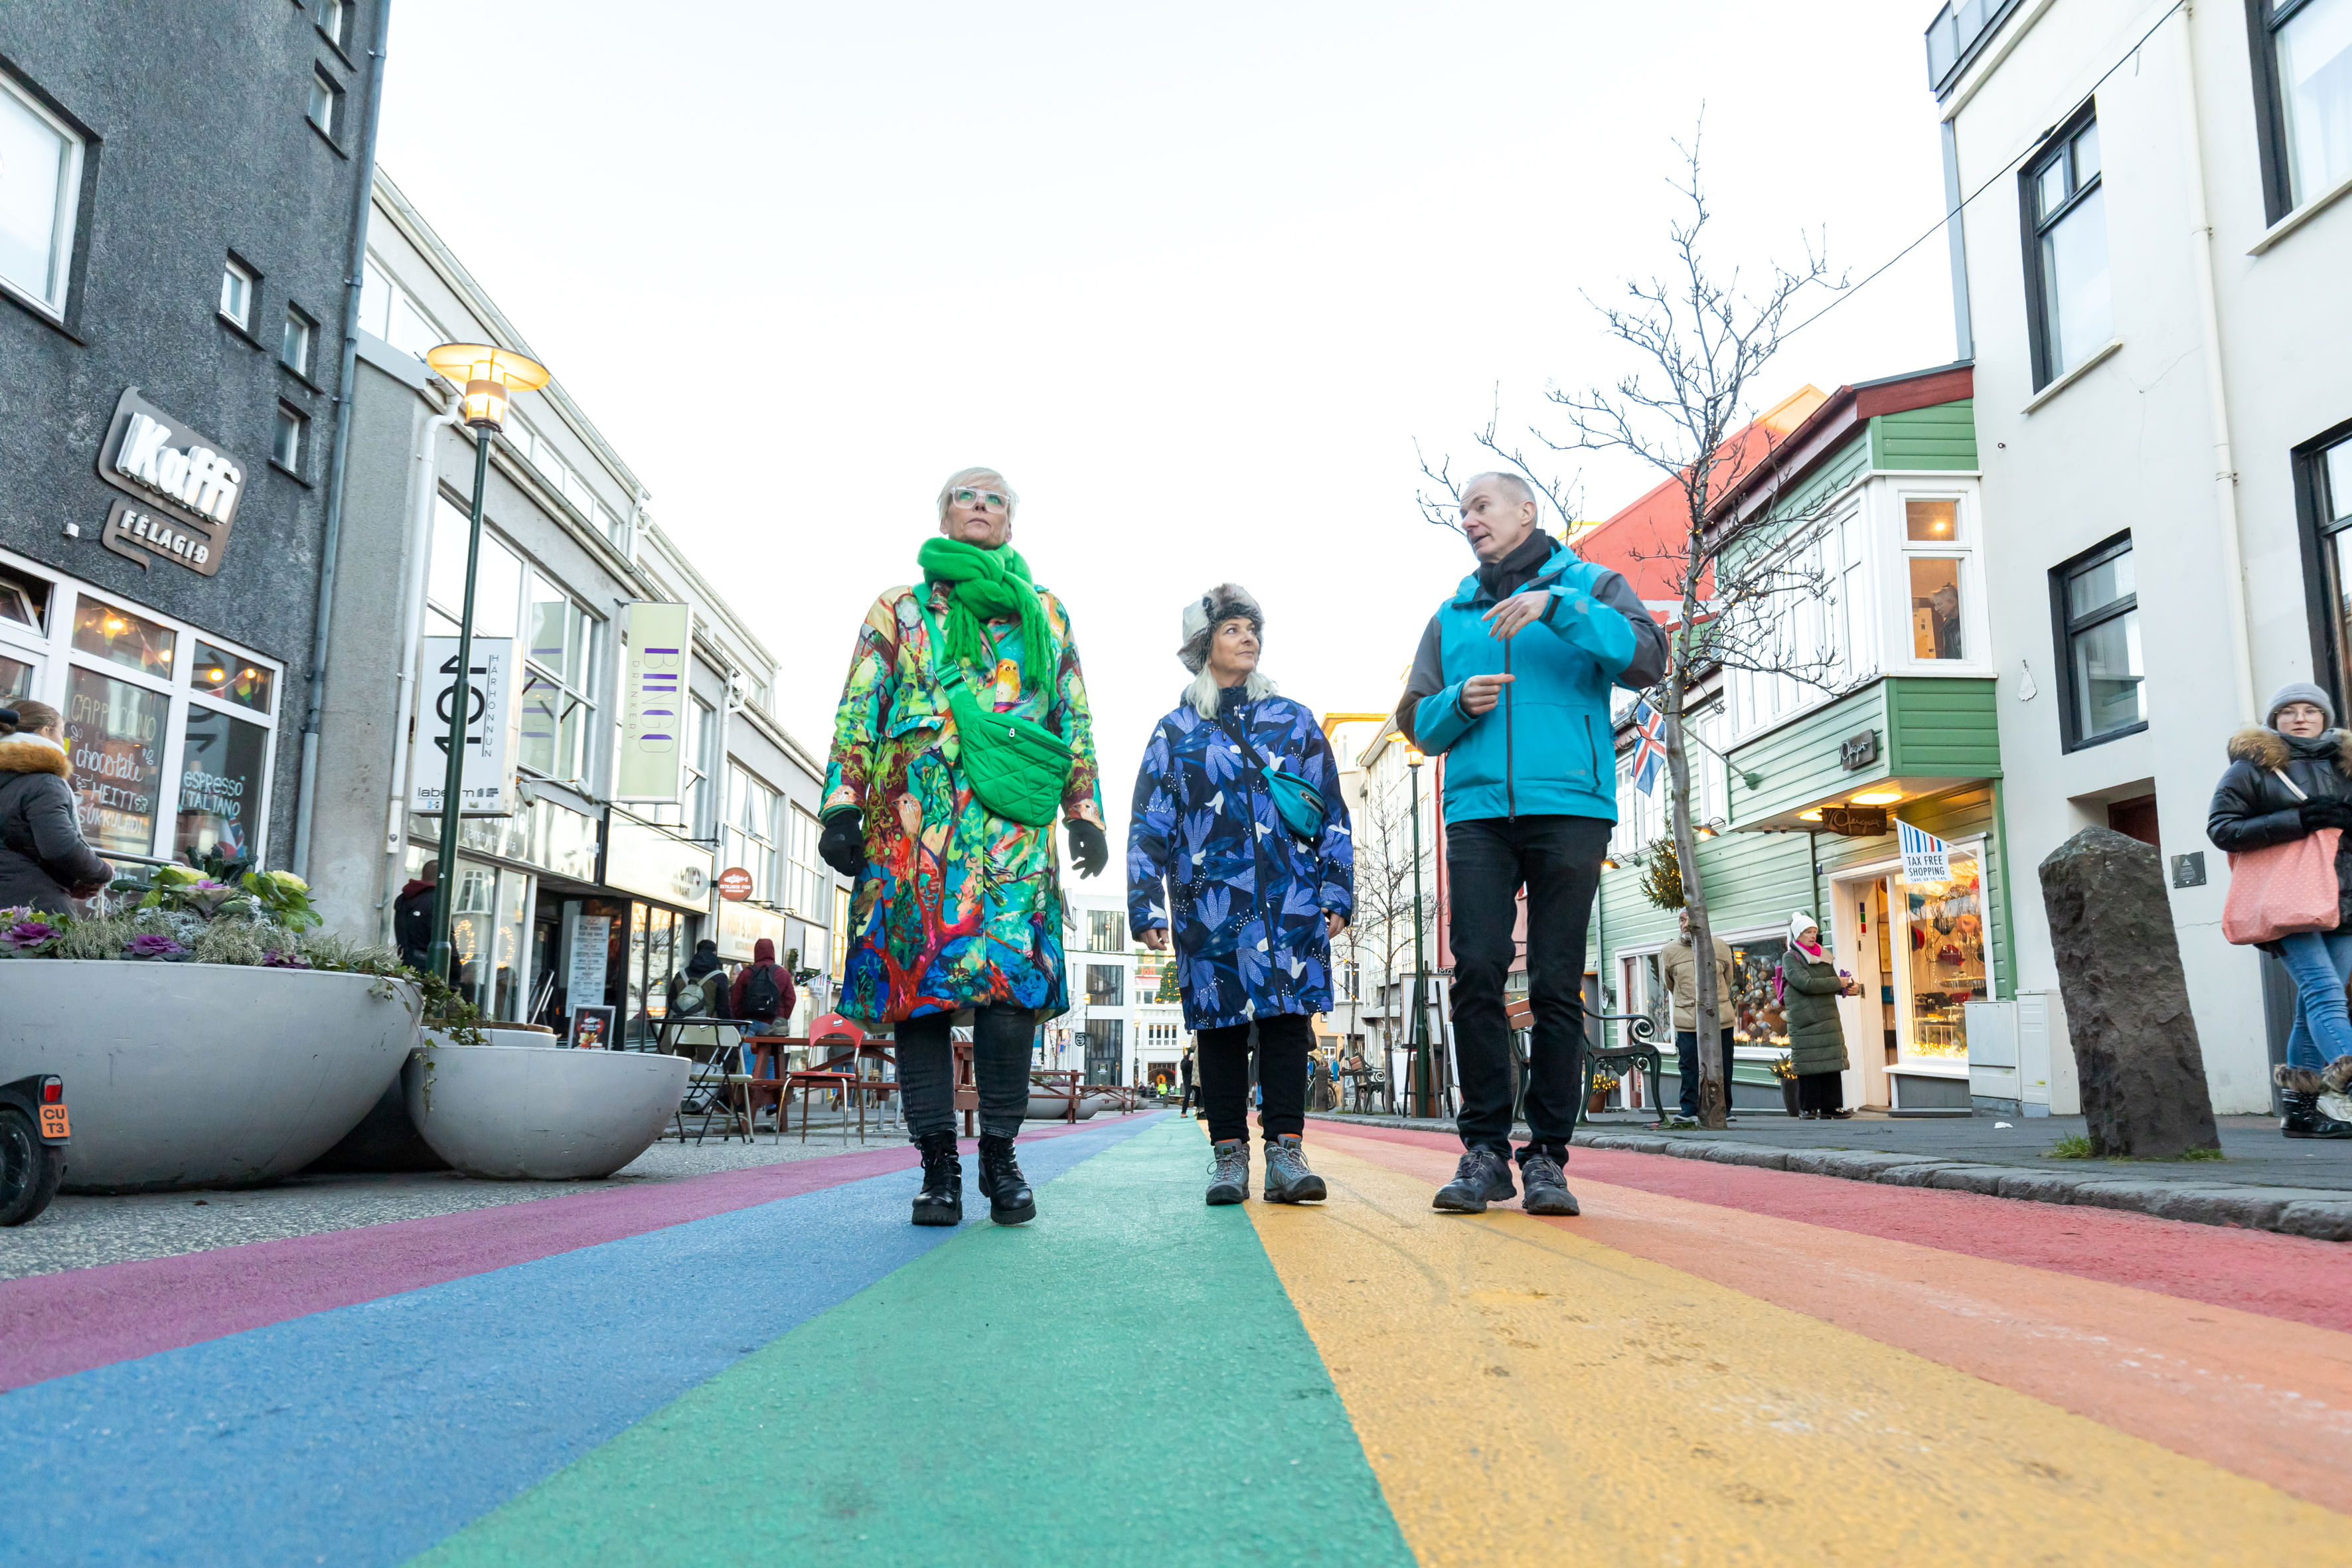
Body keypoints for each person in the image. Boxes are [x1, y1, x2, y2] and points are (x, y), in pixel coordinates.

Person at [819, 467, 1107, 1227]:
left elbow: (1071, 713)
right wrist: (842, 807)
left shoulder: (1044, 612)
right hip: (913, 828)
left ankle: (1002, 1157)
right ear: (943, 515)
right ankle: (937, 1165)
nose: (980, 506)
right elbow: (859, 706)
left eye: (995, 499)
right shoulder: (901, 608)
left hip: (1011, 832)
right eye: (966, 496)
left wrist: (1084, 810)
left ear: (1011, 522)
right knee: (916, 993)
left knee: (1007, 991)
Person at [1395, 474, 1668, 1215]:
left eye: (1482, 506)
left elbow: (1649, 658)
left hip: (1570, 806)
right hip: (1478, 813)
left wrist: (1561, 608)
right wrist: (1457, 703)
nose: (1469, 519)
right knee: (1476, 973)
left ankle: (1547, 1155)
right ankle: (1484, 1151)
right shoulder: (1452, 615)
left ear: (1527, 511)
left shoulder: (1592, 585)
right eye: (1464, 511)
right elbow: (1415, 721)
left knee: (1554, 983)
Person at [1129, 584, 1354, 1206]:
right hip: (1208, 902)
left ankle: (1286, 1154)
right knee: (1219, 1026)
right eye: (1232, 629)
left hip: (1291, 898)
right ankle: (1228, 1158)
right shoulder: (1174, 731)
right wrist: (1145, 903)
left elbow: (1331, 811)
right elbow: (1151, 820)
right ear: (1205, 646)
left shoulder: (1294, 719)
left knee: (1286, 1022)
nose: (1248, 638)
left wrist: (1336, 891)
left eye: (1252, 628)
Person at [2208, 682, 2352, 1138]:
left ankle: (2300, 1112)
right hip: (2286, 900)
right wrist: (2299, 821)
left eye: (2310, 710)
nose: (2300, 718)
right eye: (2288, 711)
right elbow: (2222, 828)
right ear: (2274, 721)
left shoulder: (2346, 764)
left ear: (2324, 717)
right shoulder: (2252, 768)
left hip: (2343, 899)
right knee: (2325, 993)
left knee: (2311, 1004)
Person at [0, 701, 114, 915]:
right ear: (45, 731)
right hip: (32, 912)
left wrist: (70, 883)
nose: (63, 741)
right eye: (61, 732)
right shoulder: (43, 782)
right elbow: (60, 846)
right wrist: (103, 871)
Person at [1660, 909, 1735, 1122]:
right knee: (1689, 1064)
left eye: (1689, 919)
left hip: (1720, 1017)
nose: (1685, 924)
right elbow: (1669, 983)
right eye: (1681, 920)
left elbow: (1728, 978)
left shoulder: (1720, 946)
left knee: (1724, 1064)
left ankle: (1724, 1109)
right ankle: (1689, 1109)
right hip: (1687, 1019)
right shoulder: (1669, 951)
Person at [1780, 913, 1854, 1118]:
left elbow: (1833, 981)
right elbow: (1806, 983)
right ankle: (1807, 1107)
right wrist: (1837, 983)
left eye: (1814, 932)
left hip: (1827, 1016)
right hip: (1807, 1020)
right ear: (1798, 935)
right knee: (1809, 1063)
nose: (1812, 936)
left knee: (1831, 1062)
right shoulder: (1791, 958)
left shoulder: (1824, 956)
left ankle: (1831, 1107)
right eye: (1807, 932)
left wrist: (1847, 987)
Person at [730, 937, 796, 1033]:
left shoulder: (746, 973)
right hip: (774, 1026)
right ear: (772, 951)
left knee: (747, 1047)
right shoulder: (783, 973)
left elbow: (735, 999)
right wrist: (781, 1017)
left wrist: (743, 1017)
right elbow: (791, 999)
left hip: (750, 1023)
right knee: (772, 1048)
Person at [392, 859, 439, 971]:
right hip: (428, 968)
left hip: (405, 965)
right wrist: (456, 977)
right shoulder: (436, 900)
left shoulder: (403, 899)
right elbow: (445, 939)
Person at [1179, 1050, 1196, 1117]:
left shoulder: (1196, 1060)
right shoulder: (1185, 1059)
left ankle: (1200, 1110)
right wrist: (1189, 1060)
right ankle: (1183, 1112)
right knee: (1188, 1095)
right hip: (1188, 1081)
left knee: (1199, 1094)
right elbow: (1183, 1068)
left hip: (1195, 1079)